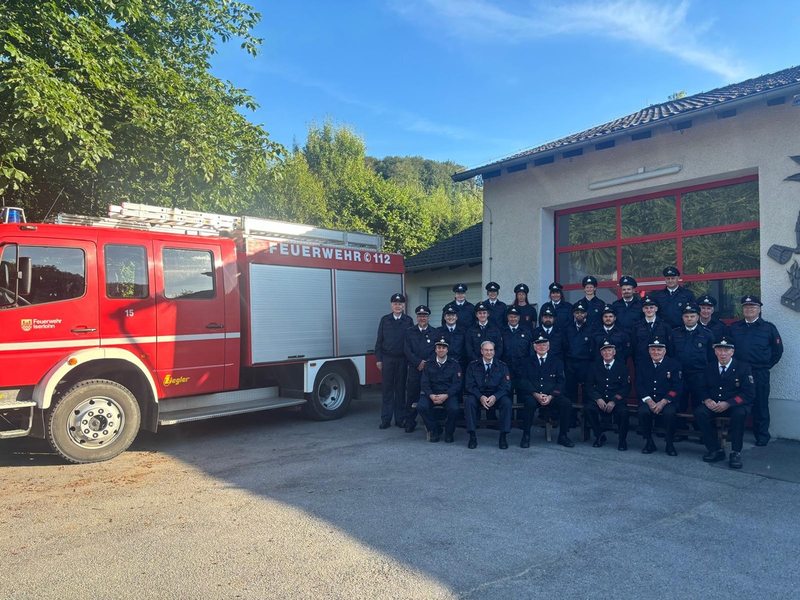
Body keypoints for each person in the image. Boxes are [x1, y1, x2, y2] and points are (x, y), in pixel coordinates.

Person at [727, 295, 783, 446]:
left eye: (752, 307)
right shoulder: (735, 327)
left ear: (759, 309)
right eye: (746, 307)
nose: (749, 309)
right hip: (738, 373)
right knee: (736, 403)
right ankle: (734, 433)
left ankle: (762, 435)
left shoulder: (768, 328)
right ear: (742, 309)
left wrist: (766, 365)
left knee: (760, 404)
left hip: (759, 372)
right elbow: (727, 348)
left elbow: (777, 351)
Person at [694, 337, 755, 469]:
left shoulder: (743, 368)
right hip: (714, 404)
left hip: (735, 405)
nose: (723, 354)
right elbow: (702, 388)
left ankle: (735, 452)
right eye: (720, 350)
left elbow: (749, 393)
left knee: (739, 415)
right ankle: (715, 449)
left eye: (726, 351)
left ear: (732, 352)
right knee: (699, 413)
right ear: (715, 352)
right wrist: (707, 400)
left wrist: (729, 403)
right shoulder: (709, 368)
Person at [518, 334, 574, 448]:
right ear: (534, 347)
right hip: (533, 395)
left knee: (566, 404)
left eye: (544, 345)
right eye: (539, 345)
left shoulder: (557, 362)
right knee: (528, 404)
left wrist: (551, 396)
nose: (541, 347)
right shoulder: (527, 361)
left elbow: (561, 383)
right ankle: (526, 435)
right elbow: (524, 381)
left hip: (551, 395)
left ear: (548, 347)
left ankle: (563, 436)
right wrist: (535, 394)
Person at [635, 337, 683, 456]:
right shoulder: (642, 364)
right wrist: (649, 401)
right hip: (649, 399)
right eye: (653, 349)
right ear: (649, 351)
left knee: (669, 414)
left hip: (667, 400)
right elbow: (639, 384)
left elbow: (677, 387)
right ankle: (649, 441)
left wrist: (663, 401)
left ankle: (669, 443)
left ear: (664, 351)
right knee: (642, 412)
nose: (656, 352)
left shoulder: (674, 364)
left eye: (659, 350)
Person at [583, 340, 632, 450]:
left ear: (614, 352)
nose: (607, 353)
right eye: (604, 351)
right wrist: (597, 398)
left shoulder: (622, 367)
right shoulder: (594, 366)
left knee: (623, 412)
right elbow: (589, 385)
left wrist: (614, 400)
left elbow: (626, 387)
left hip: (615, 399)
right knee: (588, 408)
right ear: (601, 353)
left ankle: (622, 440)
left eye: (609, 350)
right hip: (599, 398)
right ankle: (599, 435)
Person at [464, 341, 512, 449]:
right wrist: (480, 396)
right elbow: (469, 385)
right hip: (478, 395)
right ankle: (472, 436)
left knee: (507, 402)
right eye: (486, 350)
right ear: (481, 351)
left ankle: (503, 436)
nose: (489, 352)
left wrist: (495, 397)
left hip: (496, 395)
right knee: (469, 401)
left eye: (491, 350)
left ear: (494, 352)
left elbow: (506, 386)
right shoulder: (473, 365)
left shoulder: (502, 366)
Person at [375, 293, 414, 429]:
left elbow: (410, 342)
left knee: (400, 389)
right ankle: (386, 419)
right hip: (387, 359)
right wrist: (378, 359)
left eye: (400, 304)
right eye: (395, 304)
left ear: (403, 306)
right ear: (391, 305)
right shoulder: (385, 320)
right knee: (387, 390)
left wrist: (410, 360)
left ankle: (399, 419)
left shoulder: (408, 321)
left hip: (402, 359)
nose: (398, 306)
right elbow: (379, 341)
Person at [417, 337, 463, 444]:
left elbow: (457, 384)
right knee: (421, 406)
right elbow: (424, 383)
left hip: (448, 395)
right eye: (439, 347)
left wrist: (446, 395)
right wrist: (431, 395)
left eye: (443, 348)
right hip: (432, 394)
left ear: (447, 350)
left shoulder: (454, 364)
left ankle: (449, 432)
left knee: (455, 409)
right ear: (435, 349)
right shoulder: (428, 364)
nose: (441, 350)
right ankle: (435, 428)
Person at [670, 304, 715, 413]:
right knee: (680, 402)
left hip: (699, 374)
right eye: (686, 316)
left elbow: (711, 357)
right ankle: (680, 426)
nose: (689, 319)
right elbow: (671, 354)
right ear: (682, 318)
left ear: (698, 317)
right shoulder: (675, 333)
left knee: (698, 402)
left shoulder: (706, 334)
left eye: (692, 316)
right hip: (680, 374)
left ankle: (698, 427)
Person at [403, 305, 438, 434]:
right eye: (420, 316)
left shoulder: (435, 332)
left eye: (425, 316)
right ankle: (410, 422)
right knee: (412, 394)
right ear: (417, 317)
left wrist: (426, 363)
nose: (422, 318)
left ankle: (431, 421)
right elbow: (407, 350)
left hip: (430, 369)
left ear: (428, 318)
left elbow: (437, 350)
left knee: (429, 394)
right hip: (414, 368)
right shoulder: (409, 331)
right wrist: (418, 362)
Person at [500, 306, 533, 402]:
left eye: (515, 317)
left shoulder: (526, 332)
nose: (513, 319)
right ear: (507, 317)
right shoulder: (502, 332)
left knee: (522, 396)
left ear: (519, 318)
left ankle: (521, 417)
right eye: (511, 317)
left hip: (522, 370)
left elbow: (530, 352)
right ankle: (508, 417)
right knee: (506, 396)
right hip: (506, 369)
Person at [563, 301, 593, 403]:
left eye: (581, 312)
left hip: (585, 362)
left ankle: (586, 416)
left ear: (585, 314)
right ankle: (572, 417)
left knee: (587, 389)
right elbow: (564, 345)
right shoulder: (568, 328)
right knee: (570, 389)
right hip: (570, 362)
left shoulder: (591, 328)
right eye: (577, 312)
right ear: (573, 314)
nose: (579, 314)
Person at [632, 296, 673, 366]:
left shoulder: (665, 326)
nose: (649, 310)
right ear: (643, 309)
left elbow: (669, 347)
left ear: (656, 309)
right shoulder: (637, 327)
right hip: (642, 362)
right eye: (646, 308)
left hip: (661, 363)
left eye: (651, 307)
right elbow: (634, 348)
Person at [438, 305, 469, 373]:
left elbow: (466, 349)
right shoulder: (438, 331)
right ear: (445, 317)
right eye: (448, 315)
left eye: (453, 315)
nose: (451, 317)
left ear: (456, 317)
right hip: (443, 366)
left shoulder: (463, 332)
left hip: (460, 365)